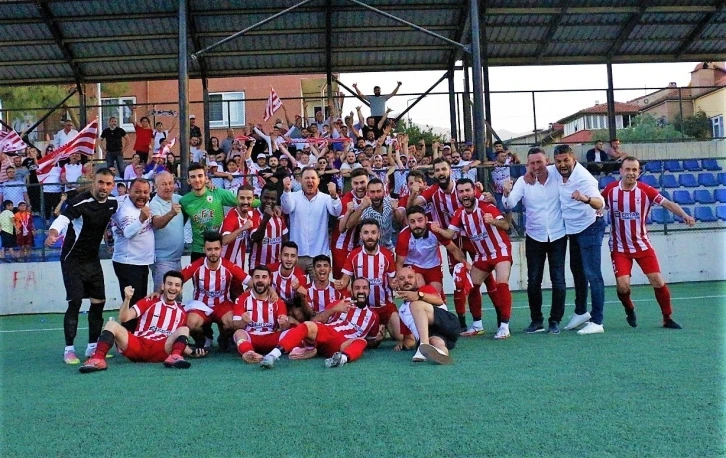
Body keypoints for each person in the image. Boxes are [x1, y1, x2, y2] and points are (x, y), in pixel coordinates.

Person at [602, 157, 694, 330]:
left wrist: (684, 215)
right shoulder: (610, 190)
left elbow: (668, 204)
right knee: (623, 286)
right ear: (620, 171)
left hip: (642, 246)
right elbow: (598, 206)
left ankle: (667, 318)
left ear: (639, 173)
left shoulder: (646, 191)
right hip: (619, 248)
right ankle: (629, 308)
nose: (631, 173)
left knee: (658, 281)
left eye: (634, 170)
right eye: (627, 169)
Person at [411, 158, 498, 335]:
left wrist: (493, 199)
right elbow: (415, 205)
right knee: (460, 281)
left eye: (444, 169)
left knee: (487, 278)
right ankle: (463, 323)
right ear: (434, 173)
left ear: (450, 170)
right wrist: (414, 193)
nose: (441, 173)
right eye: (437, 170)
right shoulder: (433, 191)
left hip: (474, 239)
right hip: (451, 241)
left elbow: (485, 202)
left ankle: (501, 321)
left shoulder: (463, 188)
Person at [45, 168, 118, 364]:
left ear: (112, 186)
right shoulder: (80, 202)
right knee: (75, 302)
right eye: (101, 182)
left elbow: (124, 214)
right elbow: (62, 219)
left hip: (92, 260)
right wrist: (52, 234)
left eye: (108, 184)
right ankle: (69, 350)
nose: (104, 187)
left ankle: (92, 347)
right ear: (94, 182)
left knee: (99, 302)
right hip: (73, 260)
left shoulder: (113, 203)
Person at [433, 178, 514, 340]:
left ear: (474, 192)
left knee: (501, 284)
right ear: (457, 194)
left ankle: (504, 326)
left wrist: (493, 221)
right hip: (482, 255)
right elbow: (450, 234)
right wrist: (438, 230)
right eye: (461, 191)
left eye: (467, 190)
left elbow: (506, 225)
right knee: (472, 287)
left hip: (500, 250)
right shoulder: (459, 213)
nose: (464, 194)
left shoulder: (487, 207)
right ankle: (477, 325)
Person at [503, 148, 567, 334]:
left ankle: (555, 321)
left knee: (558, 280)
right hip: (534, 237)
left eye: (539, 162)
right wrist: (506, 193)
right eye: (532, 163)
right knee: (533, 281)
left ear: (547, 161)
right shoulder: (523, 181)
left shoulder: (557, 174)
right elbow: (510, 203)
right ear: (527, 165)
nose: (536, 166)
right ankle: (536, 320)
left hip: (558, 235)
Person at [78, 273, 194, 373]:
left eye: (177, 285)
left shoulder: (182, 313)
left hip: (161, 349)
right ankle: (98, 359)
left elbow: (179, 340)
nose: (173, 288)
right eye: (169, 284)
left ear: (181, 289)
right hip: (139, 345)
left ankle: (175, 357)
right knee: (111, 324)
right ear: (163, 286)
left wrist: (193, 353)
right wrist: (127, 299)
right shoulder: (149, 301)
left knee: (184, 329)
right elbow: (124, 318)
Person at [259, 277, 380, 369]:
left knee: (361, 341)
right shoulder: (341, 302)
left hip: (342, 344)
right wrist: (334, 309)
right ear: (351, 290)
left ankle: (340, 359)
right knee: (307, 325)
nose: (361, 291)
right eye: (357, 288)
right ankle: (272, 356)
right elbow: (315, 321)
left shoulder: (373, 316)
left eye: (364, 288)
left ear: (369, 291)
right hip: (328, 332)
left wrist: (378, 340)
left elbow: (371, 342)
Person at [550, 144, 607, 335]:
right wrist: (528, 174)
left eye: (566, 160)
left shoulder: (584, 178)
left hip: (590, 227)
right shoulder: (556, 171)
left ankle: (597, 321)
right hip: (573, 229)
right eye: (558, 161)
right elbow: (540, 168)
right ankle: (581, 312)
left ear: (573, 159)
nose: (562, 164)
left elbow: (600, 202)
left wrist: (585, 199)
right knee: (577, 271)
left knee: (593, 274)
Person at [181, 231, 251, 351]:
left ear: (221, 249)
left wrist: (270, 291)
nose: (213, 252)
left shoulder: (229, 266)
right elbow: (176, 280)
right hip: (201, 305)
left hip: (222, 304)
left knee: (232, 322)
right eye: (209, 249)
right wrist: (159, 291)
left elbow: (251, 281)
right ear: (204, 249)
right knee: (191, 323)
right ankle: (204, 338)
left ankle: (224, 338)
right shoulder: (196, 266)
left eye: (216, 249)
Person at [338, 218, 403, 345]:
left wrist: (397, 284)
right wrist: (338, 284)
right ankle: (377, 330)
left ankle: (384, 327)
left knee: (401, 337)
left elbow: (392, 282)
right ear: (361, 235)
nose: (370, 237)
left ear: (379, 234)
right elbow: (344, 281)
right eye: (366, 233)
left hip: (385, 307)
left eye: (373, 232)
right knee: (369, 341)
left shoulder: (387, 255)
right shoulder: (353, 255)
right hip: (364, 309)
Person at [395, 205, 469, 301]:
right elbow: (399, 263)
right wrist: (398, 280)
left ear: (426, 219)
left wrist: (465, 263)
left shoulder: (435, 230)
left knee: (435, 295)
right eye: (412, 222)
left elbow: (453, 249)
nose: (417, 225)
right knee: (420, 287)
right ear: (407, 222)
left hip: (433, 266)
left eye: (420, 220)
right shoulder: (403, 236)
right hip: (413, 265)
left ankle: (440, 299)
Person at [281, 168, 342, 276]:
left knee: (319, 286)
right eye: (307, 178)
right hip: (297, 255)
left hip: (319, 255)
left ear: (318, 181)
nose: (310, 181)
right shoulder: (293, 196)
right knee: (297, 286)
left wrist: (334, 196)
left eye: (313, 178)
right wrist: (286, 190)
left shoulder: (326, 198)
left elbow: (336, 212)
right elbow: (287, 209)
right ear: (300, 180)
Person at [395, 266, 459, 364]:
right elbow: (410, 339)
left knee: (415, 304)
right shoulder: (401, 311)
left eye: (410, 277)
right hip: (433, 334)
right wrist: (404, 343)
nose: (407, 280)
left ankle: (423, 345)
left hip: (447, 323)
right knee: (435, 341)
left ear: (416, 279)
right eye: (402, 279)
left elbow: (439, 300)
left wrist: (418, 295)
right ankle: (442, 353)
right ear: (397, 283)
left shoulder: (425, 289)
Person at [180, 162, 238, 261]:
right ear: (188, 180)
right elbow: (179, 224)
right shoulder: (184, 201)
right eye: (193, 177)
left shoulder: (217, 192)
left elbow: (242, 201)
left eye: (200, 176)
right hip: (198, 250)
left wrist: (264, 204)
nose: (197, 180)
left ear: (206, 178)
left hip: (218, 248)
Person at [110, 178, 154, 307]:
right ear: (129, 191)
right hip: (128, 263)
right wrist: (141, 219)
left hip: (141, 262)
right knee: (132, 307)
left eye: (145, 192)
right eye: (138, 192)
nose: (142, 195)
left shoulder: (145, 202)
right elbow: (128, 233)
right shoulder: (125, 210)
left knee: (139, 305)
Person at [232, 265, 290, 363]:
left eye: (264, 277)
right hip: (251, 337)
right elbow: (236, 326)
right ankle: (249, 353)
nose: (260, 280)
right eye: (257, 277)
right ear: (252, 279)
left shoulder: (278, 301)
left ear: (269, 280)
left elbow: (285, 327)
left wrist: (284, 323)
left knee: (291, 332)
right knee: (238, 333)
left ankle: (291, 350)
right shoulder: (242, 299)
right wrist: (243, 321)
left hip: (272, 338)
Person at [331, 168, 369, 279]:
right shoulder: (347, 199)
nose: (359, 186)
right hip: (342, 247)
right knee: (342, 282)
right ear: (351, 184)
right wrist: (361, 207)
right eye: (356, 183)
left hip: (360, 246)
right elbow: (345, 226)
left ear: (368, 180)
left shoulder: (371, 194)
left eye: (362, 182)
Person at [150, 172, 185, 292]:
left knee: (176, 296)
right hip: (162, 261)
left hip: (177, 259)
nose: (168, 187)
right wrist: (172, 213)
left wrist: (209, 189)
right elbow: (157, 223)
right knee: (162, 295)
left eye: (170, 183)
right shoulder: (154, 204)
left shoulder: (177, 198)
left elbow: (194, 199)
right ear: (156, 186)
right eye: (164, 184)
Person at [269, 241, 311, 324]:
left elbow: (300, 302)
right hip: (272, 305)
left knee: (298, 313)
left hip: (290, 308)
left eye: (292, 256)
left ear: (297, 258)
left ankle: (298, 327)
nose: (289, 259)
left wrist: (298, 289)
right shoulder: (270, 270)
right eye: (286, 255)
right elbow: (257, 284)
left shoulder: (301, 276)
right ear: (280, 256)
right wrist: (270, 289)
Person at [249, 185, 288, 268]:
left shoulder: (279, 216)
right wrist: (265, 219)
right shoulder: (253, 215)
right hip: (258, 268)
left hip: (276, 267)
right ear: (260, 198)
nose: (269, 201)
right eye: (266, 197)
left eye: (273, 199)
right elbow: (255, 239)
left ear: (276, 201)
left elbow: (285, 240)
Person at [220, 185, 256, 270]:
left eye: (249, 198)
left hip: (239, 266)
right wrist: (242, 228)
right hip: (225, 266)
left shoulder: (250, 212)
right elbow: (224, 240)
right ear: (237, 199)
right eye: (242, 198)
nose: (245, 202)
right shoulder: (232, 216)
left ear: (253, 199)